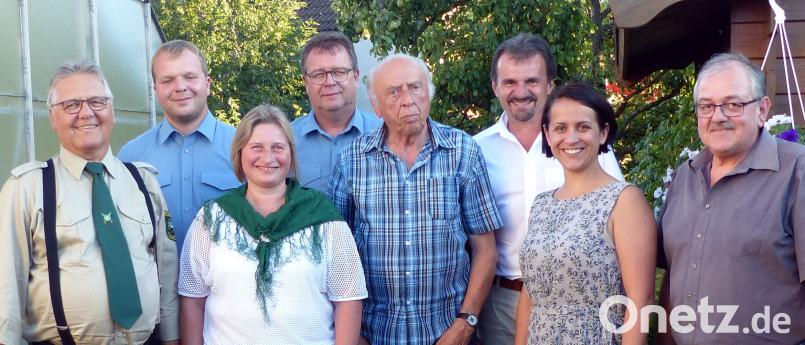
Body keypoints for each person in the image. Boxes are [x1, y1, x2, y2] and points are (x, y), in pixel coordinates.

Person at [329, 54, 503, 345]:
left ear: (429, 94)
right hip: (374, 335)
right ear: (377, 107)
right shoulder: (351, 161)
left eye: (416, 87)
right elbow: (333, 255)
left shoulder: (463, 151)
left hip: (449, 333)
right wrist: (352, 332)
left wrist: (466, 322)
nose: (408, 99)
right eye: (394, 91)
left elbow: (485, 250)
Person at [0, 61, 179, 344]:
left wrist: (172, 337)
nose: (86, 113)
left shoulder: (144, 182)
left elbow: (166, 271)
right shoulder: (27, 188)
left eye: (97, 101)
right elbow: (7, 287)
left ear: (111, 111)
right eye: (71, 105)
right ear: (52, 117)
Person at [473, 32, 623, 344]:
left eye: (532, 81)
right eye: (510, 82)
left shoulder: (583, 145)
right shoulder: (476, 151)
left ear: (550, 84)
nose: (521, 91)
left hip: (578, 303)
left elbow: (618, 221)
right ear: (495, 86)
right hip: (500, 302)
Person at [179, 104, 367, 344]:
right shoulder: (212, 219)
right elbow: (192, 299)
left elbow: (348, 298)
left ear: (290, 154)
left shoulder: (323, 216)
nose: (268, 158)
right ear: (240, 153)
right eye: (256, 147)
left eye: (278, 147)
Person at [658, 53, 805, 344]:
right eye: (707, 106)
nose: (718, 116)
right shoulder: (684, 177)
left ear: (762, 110)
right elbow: (673, 275)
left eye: (733, 104)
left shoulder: (796, 172)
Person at [514, 83, 656, 345]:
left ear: (603, 132)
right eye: (560, 128)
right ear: (546, 134)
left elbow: (641, 300)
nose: (571, 138)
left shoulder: (624, 201)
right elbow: (530, 294)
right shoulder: (542, 204)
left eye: (583, 127)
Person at [119, 40, 240, 253]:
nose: (180, 87)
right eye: (168, 80)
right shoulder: (131, 157)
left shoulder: (243, 147)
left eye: (190, 77)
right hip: (157, 284)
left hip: (224, 285)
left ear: (208, 84)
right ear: (156, 90)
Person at [292, 31, 382, 191]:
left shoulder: (386, 135)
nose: (329, 82)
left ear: (355, 77)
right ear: (306, 82)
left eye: (339, 72)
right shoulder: (286, 141)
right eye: (319, 74)